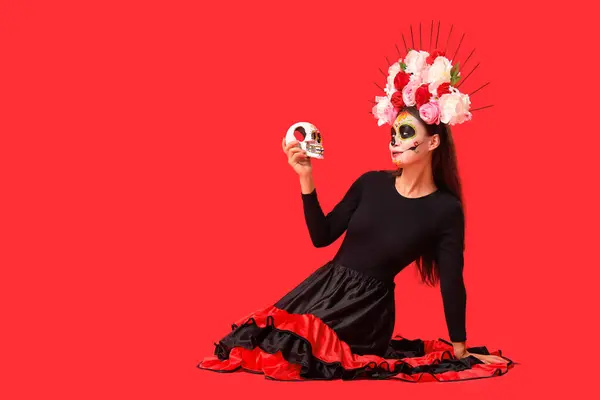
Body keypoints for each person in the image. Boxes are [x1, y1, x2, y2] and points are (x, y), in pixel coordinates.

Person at [197, 46, 514, 382]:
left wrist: (460, 348)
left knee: (299, 353)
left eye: (405, 133)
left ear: (433, 143)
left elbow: (452, 282)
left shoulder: (445, 209)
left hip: (365, 310)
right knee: (265, 341)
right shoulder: (370, 183)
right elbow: (322, 237)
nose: (394, 141)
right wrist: (306, 178)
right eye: (393, 132)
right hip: (322, 287)